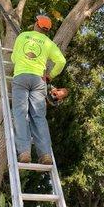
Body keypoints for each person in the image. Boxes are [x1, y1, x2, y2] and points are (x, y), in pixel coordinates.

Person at [11, 15, 66, 165]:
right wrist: (50, 76)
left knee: (20, 114)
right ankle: (45, 155)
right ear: (46, 30)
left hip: (21, 77)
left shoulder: (23, 36)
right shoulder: (48, 43)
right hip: (38, 81)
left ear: (36, 24)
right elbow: (61, 61)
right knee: (39, 117)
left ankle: (24, 152)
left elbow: (14, 59)